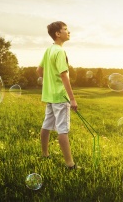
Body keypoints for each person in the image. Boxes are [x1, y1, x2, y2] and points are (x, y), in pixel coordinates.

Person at [36, 21, 78, 169]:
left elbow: (39, 70)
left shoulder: (49, 50)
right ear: (58, 34)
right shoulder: (60, 51)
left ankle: (45, 154)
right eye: (66, 29)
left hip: (50, 96)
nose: (69, 32)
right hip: (61, 97)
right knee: (63, 130)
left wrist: (48, 81)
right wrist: (72, 98)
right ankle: (70, 164)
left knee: (46, 125)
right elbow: (64, 76)